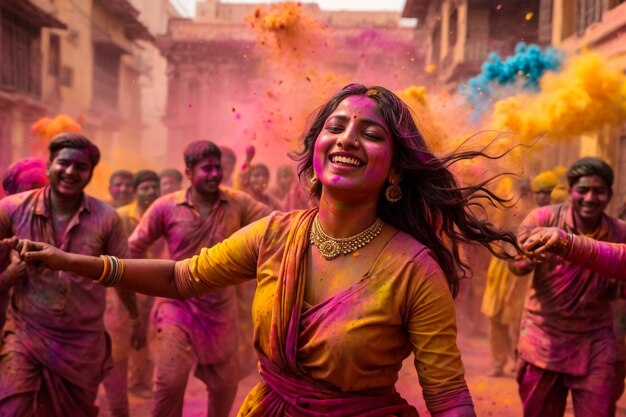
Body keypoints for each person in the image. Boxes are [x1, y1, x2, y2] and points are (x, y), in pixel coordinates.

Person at [6, 84, 523, 417]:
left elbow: (448, 397)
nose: (346, 139)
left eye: (369, 134)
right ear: (316, 148)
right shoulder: (276, 234)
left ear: (396, 171)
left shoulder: (415, 270)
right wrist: (67, 260)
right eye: (335, 127)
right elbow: (181, 278)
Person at [0, 133, 145, 417]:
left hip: (81, 345)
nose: (70, 172)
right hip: (26, 333)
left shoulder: (106, 218)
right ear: (49, 165)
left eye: (81, 167)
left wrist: (136, 318)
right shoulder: (12, 209)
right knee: (11, 409)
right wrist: (8, 274)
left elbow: (123, 274)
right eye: (63, 163)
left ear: (91, 173)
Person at [128, 141, 270, 417]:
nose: (215, 173)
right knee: (169, 380)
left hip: (220, 309)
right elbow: (134, 246)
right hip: (176, 305)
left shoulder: (237, 202)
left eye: (217, 167)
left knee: (225, 385)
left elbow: (274, 225)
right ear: (189, 173)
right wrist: (145, 284)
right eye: (207, 169)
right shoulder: (166, 206)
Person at [509, 157, 626, 417]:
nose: (590, 198)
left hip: (595, 341)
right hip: (543, 338)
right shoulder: (543, 218)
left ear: (609, 194)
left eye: (599, 191)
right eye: (582, 190)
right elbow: (514, 266)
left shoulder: (620, 232)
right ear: (571, 190)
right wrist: (526, 259)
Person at [102, 169, 161, 415]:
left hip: (154, 287)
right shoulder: (116, 216)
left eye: (152, 187)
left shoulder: (160, 214)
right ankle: (117, 393)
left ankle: (140, 384)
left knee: (147, 338)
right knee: (118, 340)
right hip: (119, 288)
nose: (148, 192)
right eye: (143, 188)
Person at [480, 178, 534, 377]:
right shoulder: (505, 201)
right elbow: (494, 228)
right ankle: (498, 362)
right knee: (495, 316)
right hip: (501, 263)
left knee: (517, 318)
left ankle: (517, 360)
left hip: (521, 267)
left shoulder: (535, 209)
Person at [0, 158, 49, 332]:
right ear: (11, 192)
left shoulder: (56, 225)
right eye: (26, 190)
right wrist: (6, 278)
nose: (32, 197)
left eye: (39, 189)